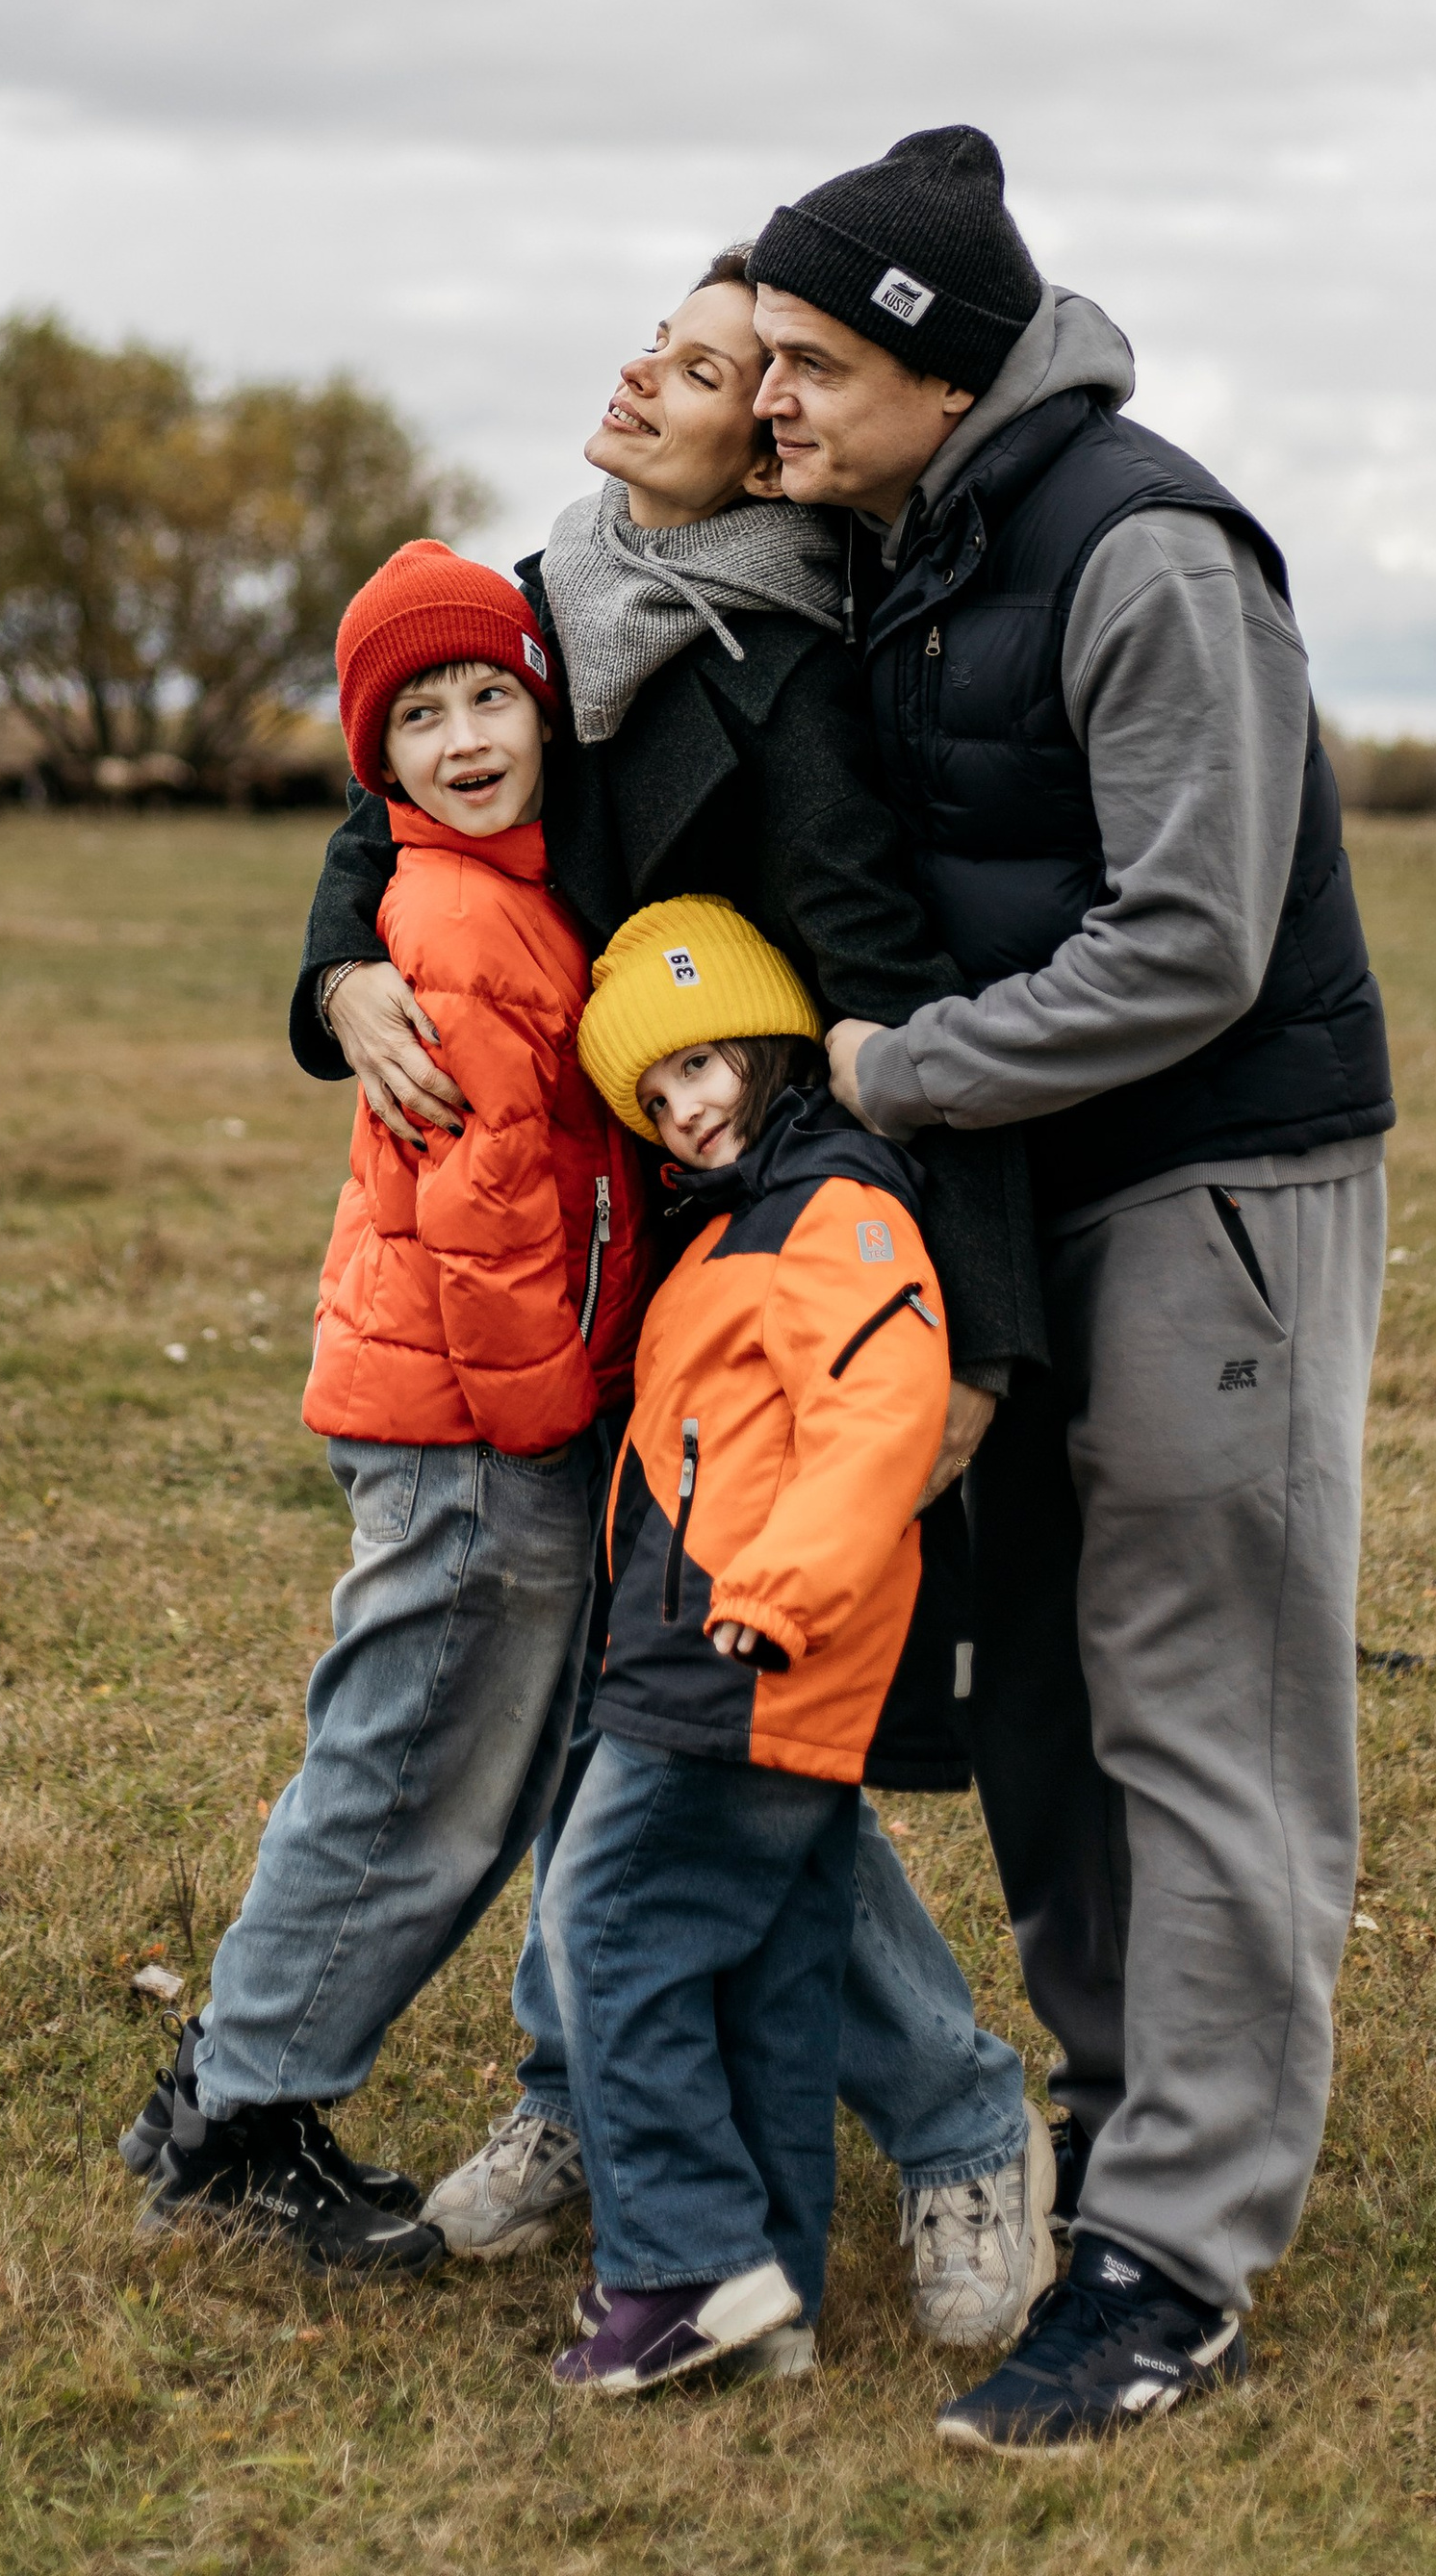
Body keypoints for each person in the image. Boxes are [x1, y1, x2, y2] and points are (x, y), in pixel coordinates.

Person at [295, 257, 1055, 2350]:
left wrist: (965, 1336)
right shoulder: (548, 604)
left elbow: (905, 1009)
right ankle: (587, 2099)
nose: (648, 373)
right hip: (578, 1272)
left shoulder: (782, 686)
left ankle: (959, 2122)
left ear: (767, 448)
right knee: (618, 1726)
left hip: (757, 1268)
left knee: (730, 1739)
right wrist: (337, 967)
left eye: (714, 370)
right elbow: (399, 768)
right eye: (667, 337)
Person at [745, 123, 1394, 2450]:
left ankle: (1172, 2255)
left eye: (811, 362)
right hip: (1027, 1192)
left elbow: (1193, 936)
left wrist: (900, 1069)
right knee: (1035, 1688)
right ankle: (1121, 2117)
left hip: (1211, 1175)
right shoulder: (910, 542)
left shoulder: (1141, 547)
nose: (774, 404)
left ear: (934, 361)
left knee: (1193, 1700)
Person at [127, 538, 650, 2272]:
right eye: (418, 716)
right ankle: (237, 2112)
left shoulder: (501, 891)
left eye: (490, 695)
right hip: (473, 1419)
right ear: (379, 762)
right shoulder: (458, 924)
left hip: (464, 1401)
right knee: (416, 1761)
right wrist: (546, 1417)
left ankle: (249, 2088)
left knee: (466, 1761)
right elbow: (492, 1203)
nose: (465, 735)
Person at [540, 899, 952, 2393]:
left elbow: (880, 1416)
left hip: (744, 1650)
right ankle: (772, 2286)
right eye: (654, 1093)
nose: (689, 1108)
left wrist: (779, 1593)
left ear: (773, 1043)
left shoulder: (833, 1210)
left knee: (607, 1925)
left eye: (705, 1062)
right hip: (723, 1645)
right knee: (771, 1973)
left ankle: (677, 2265)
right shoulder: (731, 1219)